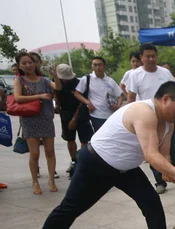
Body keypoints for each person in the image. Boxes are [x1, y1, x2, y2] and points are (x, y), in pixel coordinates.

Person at [32, 82, 175, 229]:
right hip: (96, 163)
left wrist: (167, 171)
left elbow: (163, 154)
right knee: (70, 209)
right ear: (166, 99)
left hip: (125, 169)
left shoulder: (169, 123)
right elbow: (151, 155)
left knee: (152, 203)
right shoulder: (143, 111)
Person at [127, 43, 175, 194]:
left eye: (153, 56)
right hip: (148, 120)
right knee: (154, 151)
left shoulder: (165, 73)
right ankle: (160, 181)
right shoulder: (135, 75)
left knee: (174, 149)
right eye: (147, 56)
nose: (151, 59)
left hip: (168, 117)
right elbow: (131, 98)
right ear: (141, 58)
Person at [13, 52, 62, 195]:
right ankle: (35, 181)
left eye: (30, 62)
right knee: (34, 154)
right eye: (24, 63)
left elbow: (58, 88)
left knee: (50, 151)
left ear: (35, 63)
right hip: (30, 120)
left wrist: (55, 75)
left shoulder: (44, 80)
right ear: (19, 66)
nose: (28, 65)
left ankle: (51, 180)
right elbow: (18, 98)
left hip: (46, 119)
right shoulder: (19, 80)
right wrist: (40, 96)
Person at [55, 64, 94, 167]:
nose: (65, 80)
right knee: (70, 139)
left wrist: (74, 119)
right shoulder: (57, 82)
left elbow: (82, 103)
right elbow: (56, 92)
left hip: (80, 113)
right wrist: (57, 103)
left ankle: (82, 161)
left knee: (84, 140)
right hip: (65, 114)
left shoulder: (79, 83)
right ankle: (73, 161)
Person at [74, 57, 122, 132]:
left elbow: (119, 96)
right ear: (92, 66)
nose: (97, 67)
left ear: (104, 66)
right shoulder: (86, 79)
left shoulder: (110, 81)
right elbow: (77, 93)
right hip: (96, 115)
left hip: (110, 115)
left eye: (100, 65)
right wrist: (88, 103)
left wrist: (118, 106)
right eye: (95, 65)